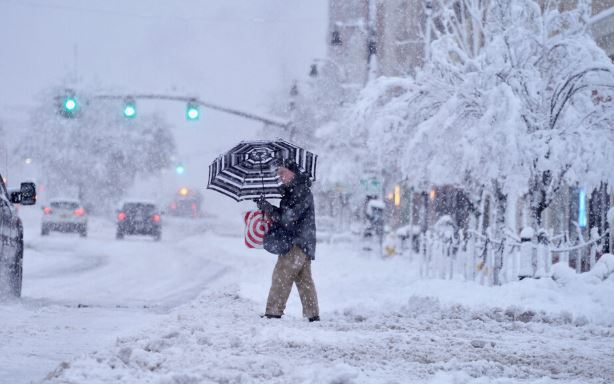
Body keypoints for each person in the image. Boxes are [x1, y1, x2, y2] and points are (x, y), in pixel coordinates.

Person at [255, 158, 319, 322]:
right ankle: (312, 316)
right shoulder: (294, 191)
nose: (281, 177)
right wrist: (266, 206)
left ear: (293, 172)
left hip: (296, 242)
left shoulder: (300, 191)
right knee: (304, 281)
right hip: (303, 242)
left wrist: (268, 208)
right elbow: (286, 216)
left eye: (283, 172)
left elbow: (289, 218)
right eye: (279, 173)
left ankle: (273, 313)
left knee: (281, 276)